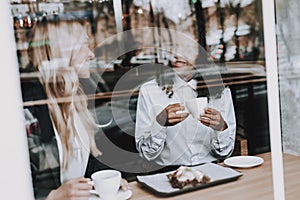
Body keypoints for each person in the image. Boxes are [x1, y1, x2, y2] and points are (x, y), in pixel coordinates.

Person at [23, 17, 129, 200]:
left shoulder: (74, 97)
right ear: (62, 51)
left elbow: (86, 161)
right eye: (84, 45)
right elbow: (14, 180)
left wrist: (107, 178)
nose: (91, 54)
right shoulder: (30, 107)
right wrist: (53, 196)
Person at [135, 33, 236, 167]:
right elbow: (146, 153)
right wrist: (159, 124)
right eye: (174, 47)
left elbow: (225, 153)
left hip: (210, 170)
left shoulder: (220, 90)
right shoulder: (150, 91)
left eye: (187, 48)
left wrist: (221, 128)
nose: (177, 54)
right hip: (168, 173)